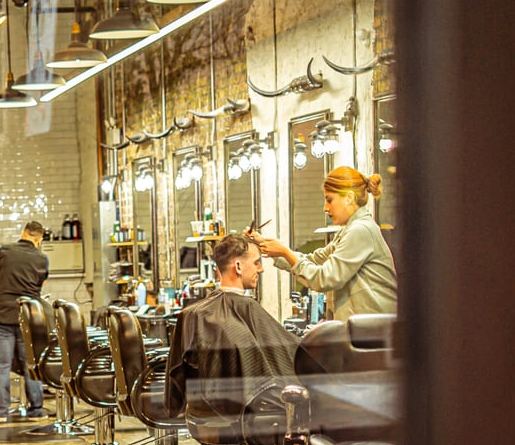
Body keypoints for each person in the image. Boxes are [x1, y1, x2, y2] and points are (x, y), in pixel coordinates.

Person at [165, 234, 300, 423]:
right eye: (256, 263)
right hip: (247, 414)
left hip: (200, 411)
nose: (260, 270)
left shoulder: (196, 312)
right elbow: (292, 355)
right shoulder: (245, 309)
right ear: (238, 266)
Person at [251, 166, 397, 321]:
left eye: (329, 200)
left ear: (349, 198)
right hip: (363, 330)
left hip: (373, 332)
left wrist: (285, 252)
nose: (325, 208)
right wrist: (271, 247)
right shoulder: (348, 231)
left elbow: (324, 279)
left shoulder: (360, 230)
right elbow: (315, 260)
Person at [0, 220, 49, 423]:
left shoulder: (4, 251)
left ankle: (0, 413)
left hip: (1, 312)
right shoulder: (41, 258)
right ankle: (36, 411)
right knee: (30, 363)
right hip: (27, 314)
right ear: (39, 239)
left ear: (23, 233)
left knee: (2, 364)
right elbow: (40, 286)